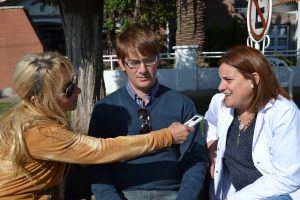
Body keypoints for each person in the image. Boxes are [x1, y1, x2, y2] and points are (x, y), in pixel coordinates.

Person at [0, 51, 193, 199]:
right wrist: (166, 136)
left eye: (73, 82)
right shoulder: (40, 131)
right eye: (67, 89)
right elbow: (100, 150)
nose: (79, 90)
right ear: (38, 100)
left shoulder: (26, 119)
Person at [65, 23, 208, 200]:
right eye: (134, 62)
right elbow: (97, 163)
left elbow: (196, 160)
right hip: (124, 194)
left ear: (158, 59)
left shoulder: (182, 104)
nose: (142, 70)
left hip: (173, 193)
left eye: (149, 60)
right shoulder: (106, 108)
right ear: (121, 64)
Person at [205, 45, 300, 200]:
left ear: (254, 80)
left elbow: (287, 178)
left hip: (276, 195)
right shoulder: (219, 103)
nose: (220, 87)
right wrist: (212, 148)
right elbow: (211, 123)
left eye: (228, 80)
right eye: (220, 79)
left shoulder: (283, 113)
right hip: (231, 192)